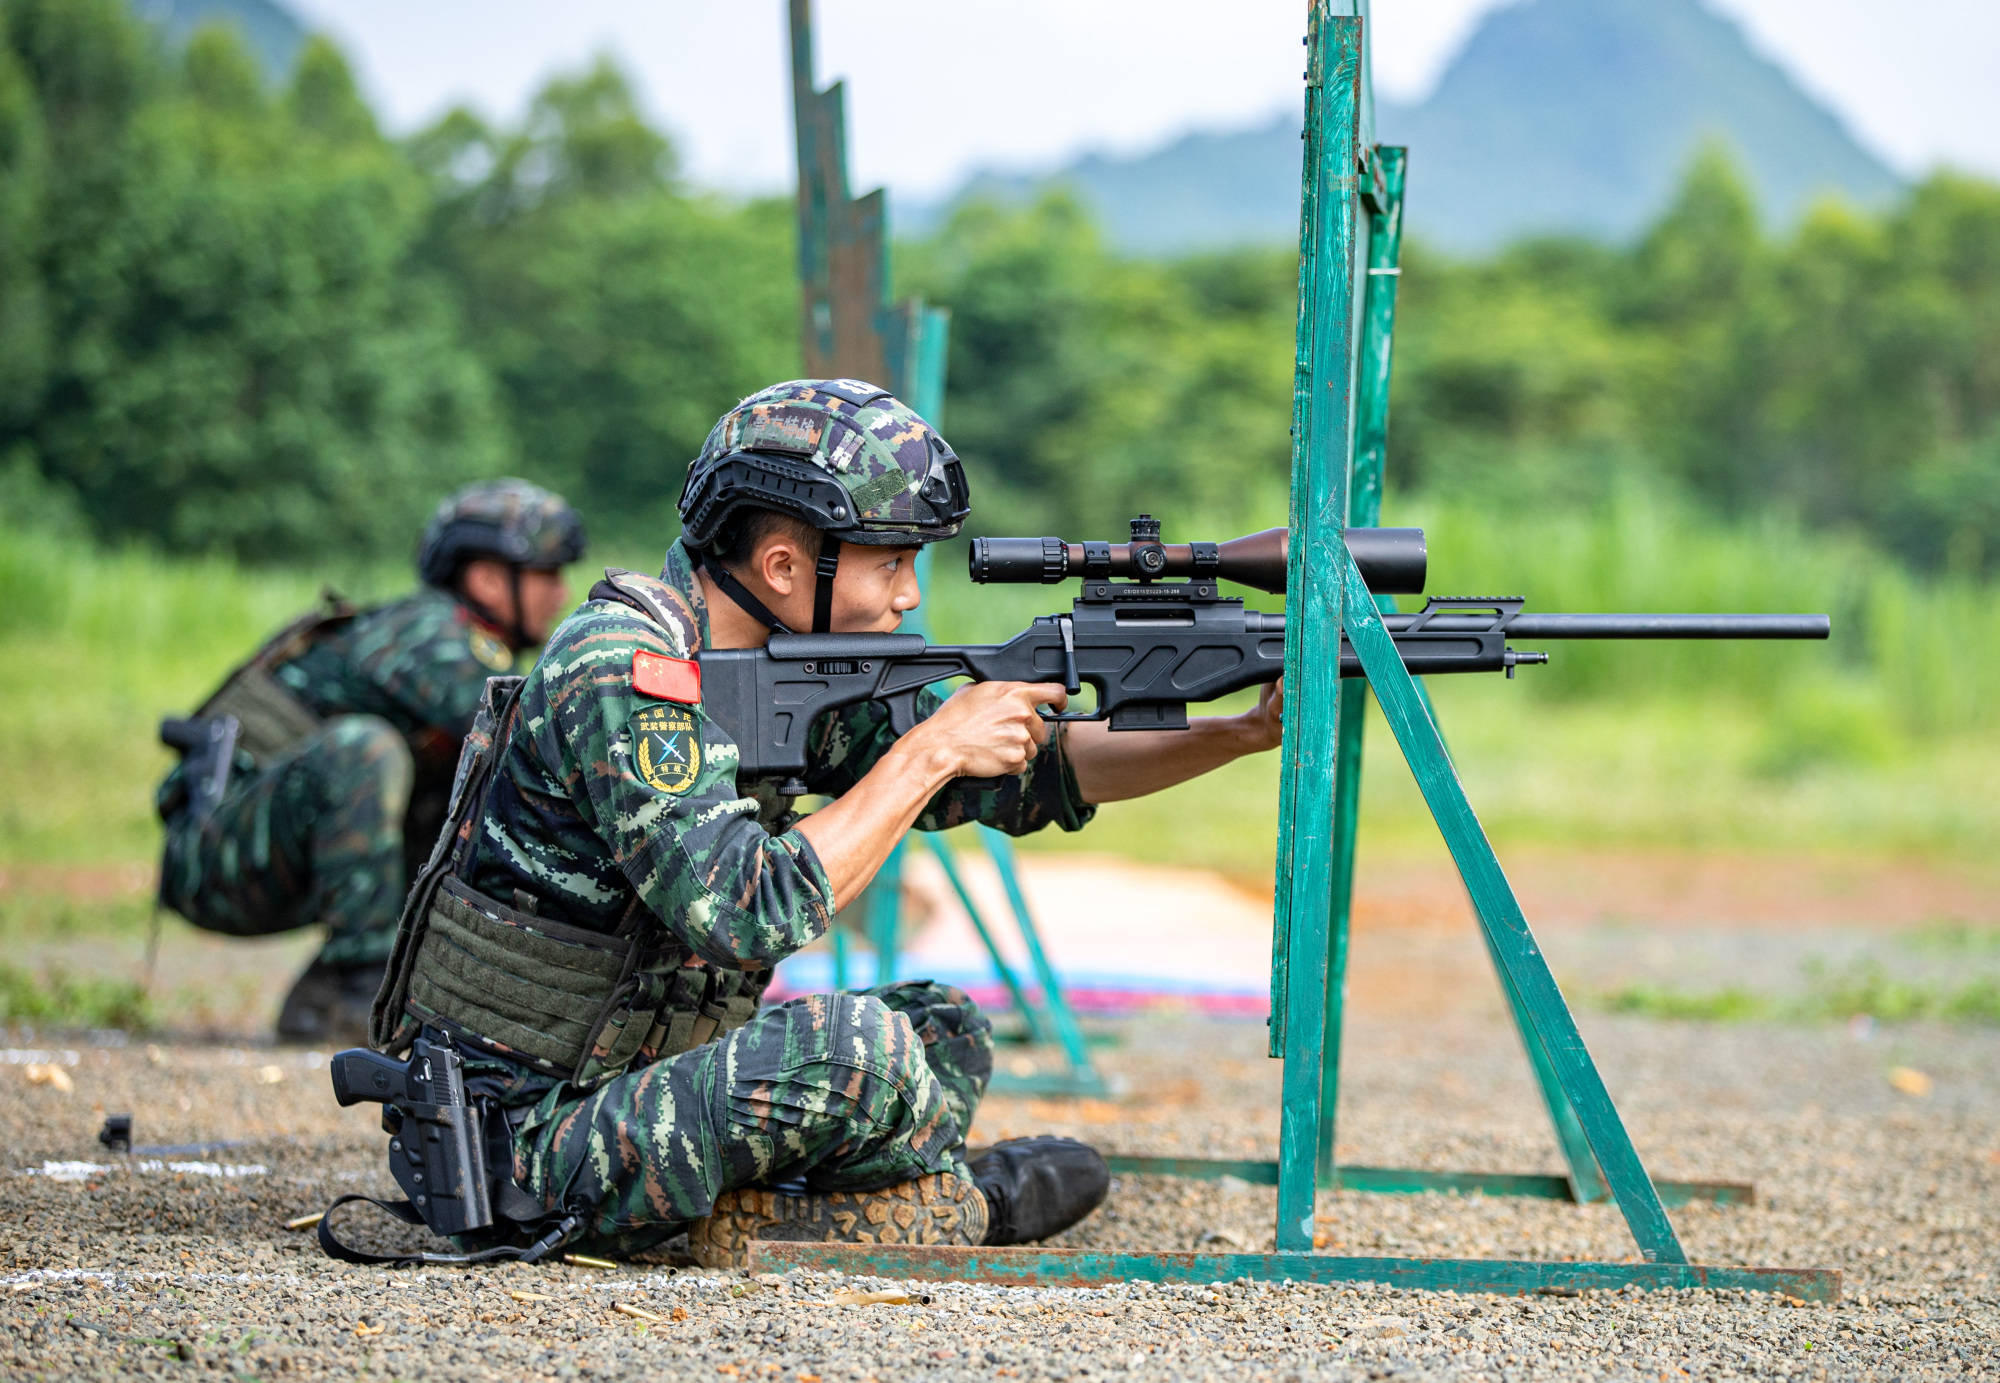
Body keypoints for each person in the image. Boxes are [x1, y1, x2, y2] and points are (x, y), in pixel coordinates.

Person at [367, 381, 1284, 1267]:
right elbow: (743, 908)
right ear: (783, 566)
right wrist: (930, 751)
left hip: (627, 1085)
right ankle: (955, 1208)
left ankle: (781, 1210)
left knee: (941, 1025)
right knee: (856, 1052)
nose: (910, 595)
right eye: (892, 562)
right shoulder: (626, 666)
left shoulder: (780, 663)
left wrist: (1239, 732)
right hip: (520, 1151)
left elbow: (1032, 778)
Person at [156, 480, 586, 1044]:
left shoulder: (455, 636)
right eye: (547, 573)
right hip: (214, 860)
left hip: (270, 846)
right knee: (368, 750)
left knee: (466, 794)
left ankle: (335, 994)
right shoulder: (430, 633)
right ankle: (357, 992)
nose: (561, 593)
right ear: (485, 577)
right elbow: (538, 738)